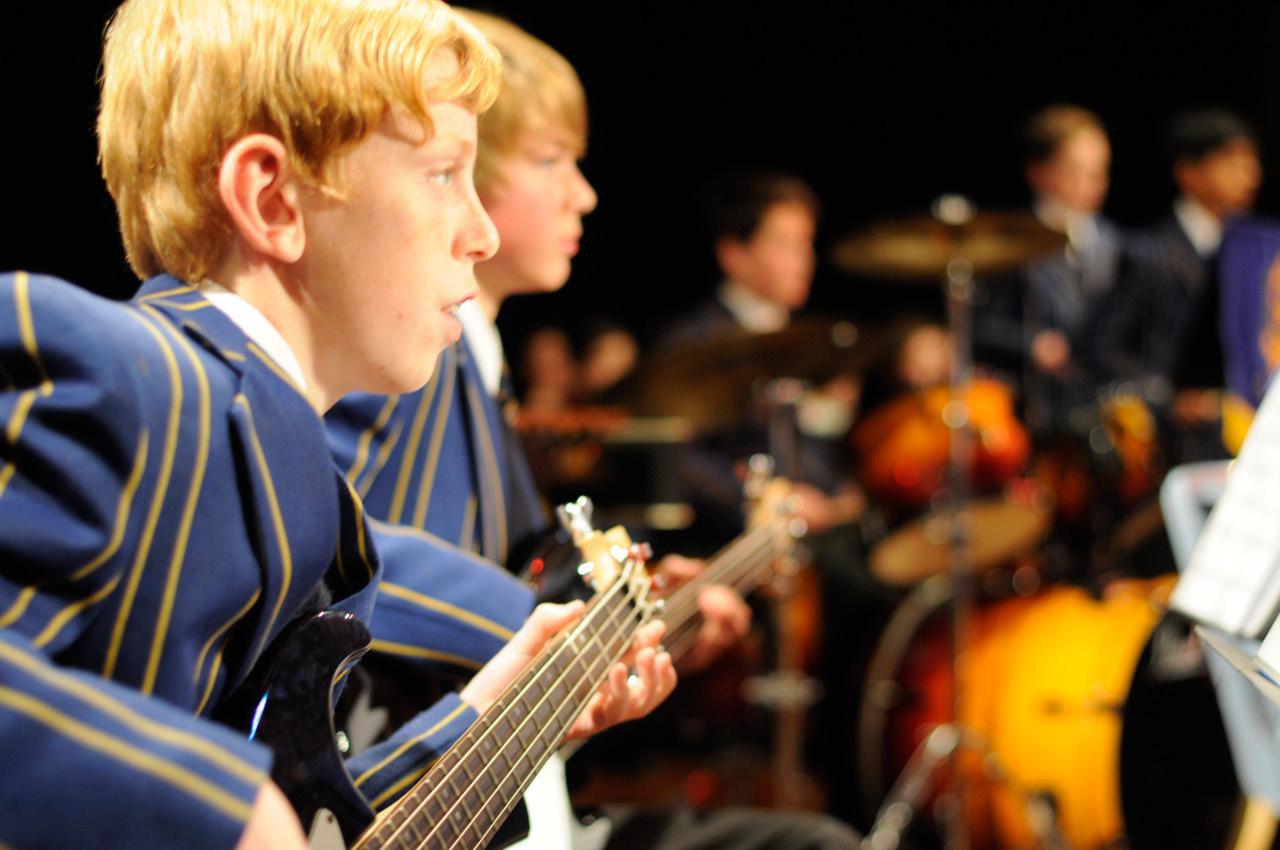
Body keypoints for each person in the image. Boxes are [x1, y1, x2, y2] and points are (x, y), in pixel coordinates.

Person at [0, 2, 674, 848]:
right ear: (272, 199)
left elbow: (317, 825)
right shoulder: (127, 374)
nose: (481, 232)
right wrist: (220, 809)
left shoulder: (307, 483)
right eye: (443, 173)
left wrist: (484, 713)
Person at [326, 11, 861, 849]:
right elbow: (331, 541)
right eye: (551, 161)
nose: (584, 194)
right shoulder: (407, 360)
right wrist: (545, 622)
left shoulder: (476, 364)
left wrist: (633, 610)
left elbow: (513, 564)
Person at [1099, 108, 1263, 462]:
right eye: (1232, 161)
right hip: (1163, 444)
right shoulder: (1149, 253)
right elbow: (1103, 348)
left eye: (1251, 161)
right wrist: (1169, 397)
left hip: (1235, 435)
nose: (1250, 175)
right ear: (1189, 172)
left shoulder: (1248, 255)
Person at [976, 104, 1123, 436]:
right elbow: (979, 327)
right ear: (1038, 172)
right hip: (1032, 408)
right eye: (1076, 170)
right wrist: (1033, 344)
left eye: (1100, 170)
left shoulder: (1116, 245)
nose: (1093, 183)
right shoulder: (1008, 245)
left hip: (1102, 408)